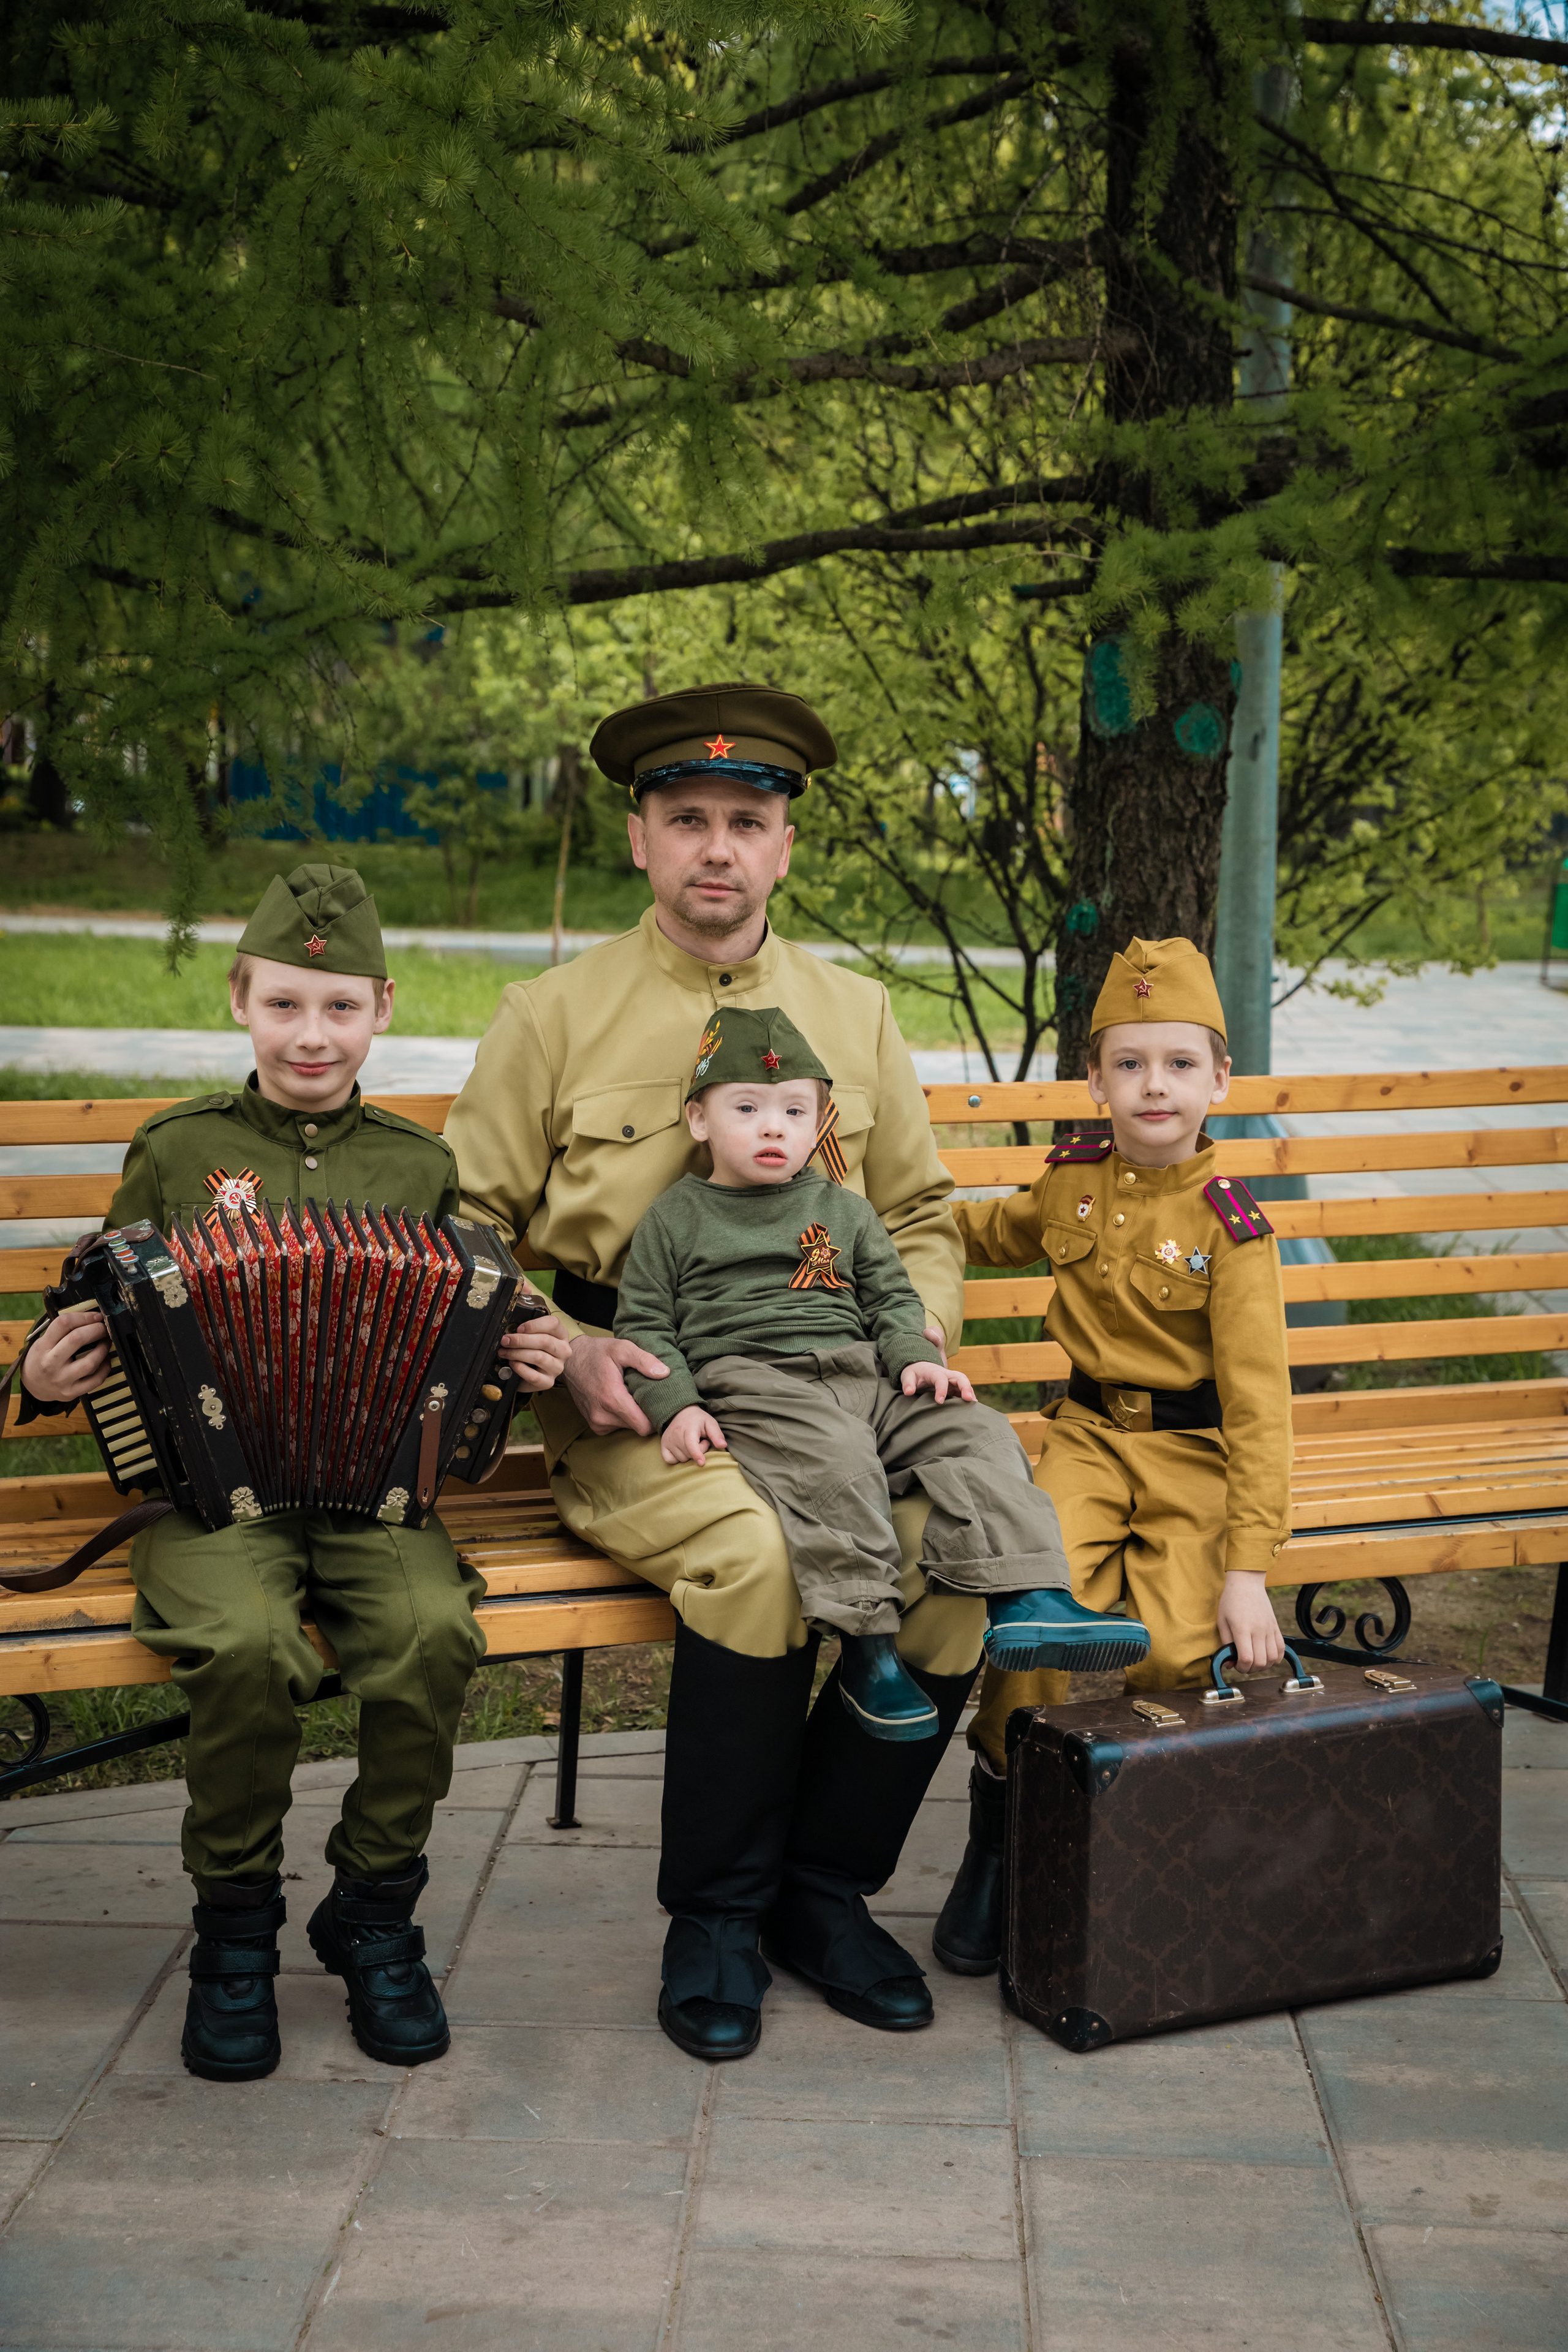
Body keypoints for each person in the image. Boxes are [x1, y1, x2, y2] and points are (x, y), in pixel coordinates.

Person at [444, 679, 1068, 2062]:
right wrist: (569, 1348)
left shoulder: (854, 1013)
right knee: (756, 1557)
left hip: (841, 1382)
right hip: (638, 1397)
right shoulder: (553, 1013)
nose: (715, 847)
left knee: (956, 1557)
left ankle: (820, 1892)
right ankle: (717, 1916)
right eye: (687, 819)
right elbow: (466, 1225)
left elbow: (916, 1213)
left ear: (784, 845)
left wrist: (916, 1344)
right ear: (640, 839)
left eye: (745, 819)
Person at [17, 863, 570, 2082]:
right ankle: (234, 1932)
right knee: (248, 1646)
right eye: (283, 1005)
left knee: (432, 1634)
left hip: (374, 1492)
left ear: (381, 1009)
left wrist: (518, 1359)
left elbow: (463, 1338)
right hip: (212, 1497)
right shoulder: (177, 1152)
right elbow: (101, 1307)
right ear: (239, 1002)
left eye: (338, 1008)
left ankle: (373, 1910)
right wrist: (47, 1371)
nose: (310, 1035)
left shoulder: (418, 1169)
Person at [616, 1005, 1143, 1761]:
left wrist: (912, 1358)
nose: (772, 1128)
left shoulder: (845, 1210)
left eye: (793, 1111)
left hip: (862, 1370)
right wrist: (676, 1407)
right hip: (754, 1380)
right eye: (747, 1109)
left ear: (820, 1122)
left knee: (974, 1429)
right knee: (837, 1457)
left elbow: (892, 1298)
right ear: (699, 1120)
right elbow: (644, 1324)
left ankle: (1028, 1594)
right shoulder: (676, 1218)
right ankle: (868, 1646)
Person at [931, 935, 1293, 1978]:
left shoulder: (1233, 1231)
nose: (1155, 1086)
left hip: (1196, 1456)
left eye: (1180, 1064)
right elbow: (975, 1231)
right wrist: (867, 1220)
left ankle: (1150, 1848)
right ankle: (1001, 1836)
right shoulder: (1071, 1185)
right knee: (1033, 1623)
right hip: (1087, 1440)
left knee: (1181, 1652)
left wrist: (1249, 1569)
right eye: (1130, 1063)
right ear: (1095, 1080)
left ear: (1220, 1081)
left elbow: (1262, 1411)